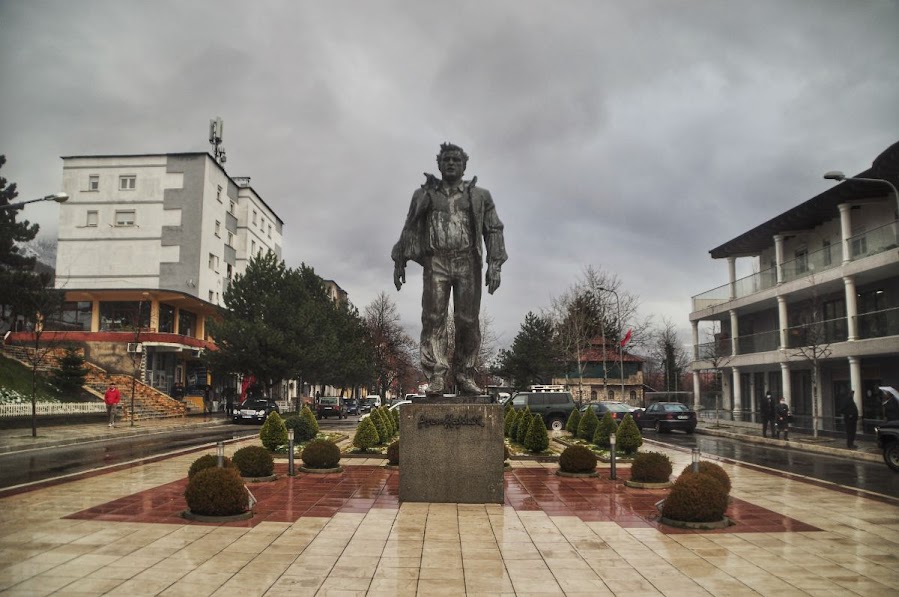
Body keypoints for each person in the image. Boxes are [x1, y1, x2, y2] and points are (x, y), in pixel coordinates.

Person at [392, 142, 507, 396]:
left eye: (456, 159)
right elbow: (410, 227)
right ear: (440, 164)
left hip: (468, 262)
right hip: (437, 262)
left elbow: (493, 229)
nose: (451, 163)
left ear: (465, 165)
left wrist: (495, 264)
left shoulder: (479, 196)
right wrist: (399, 258)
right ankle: (437, 375)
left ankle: (465, 373)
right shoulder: (425, 195)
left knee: (467, 321)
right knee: (433, 319)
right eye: (447, 160)